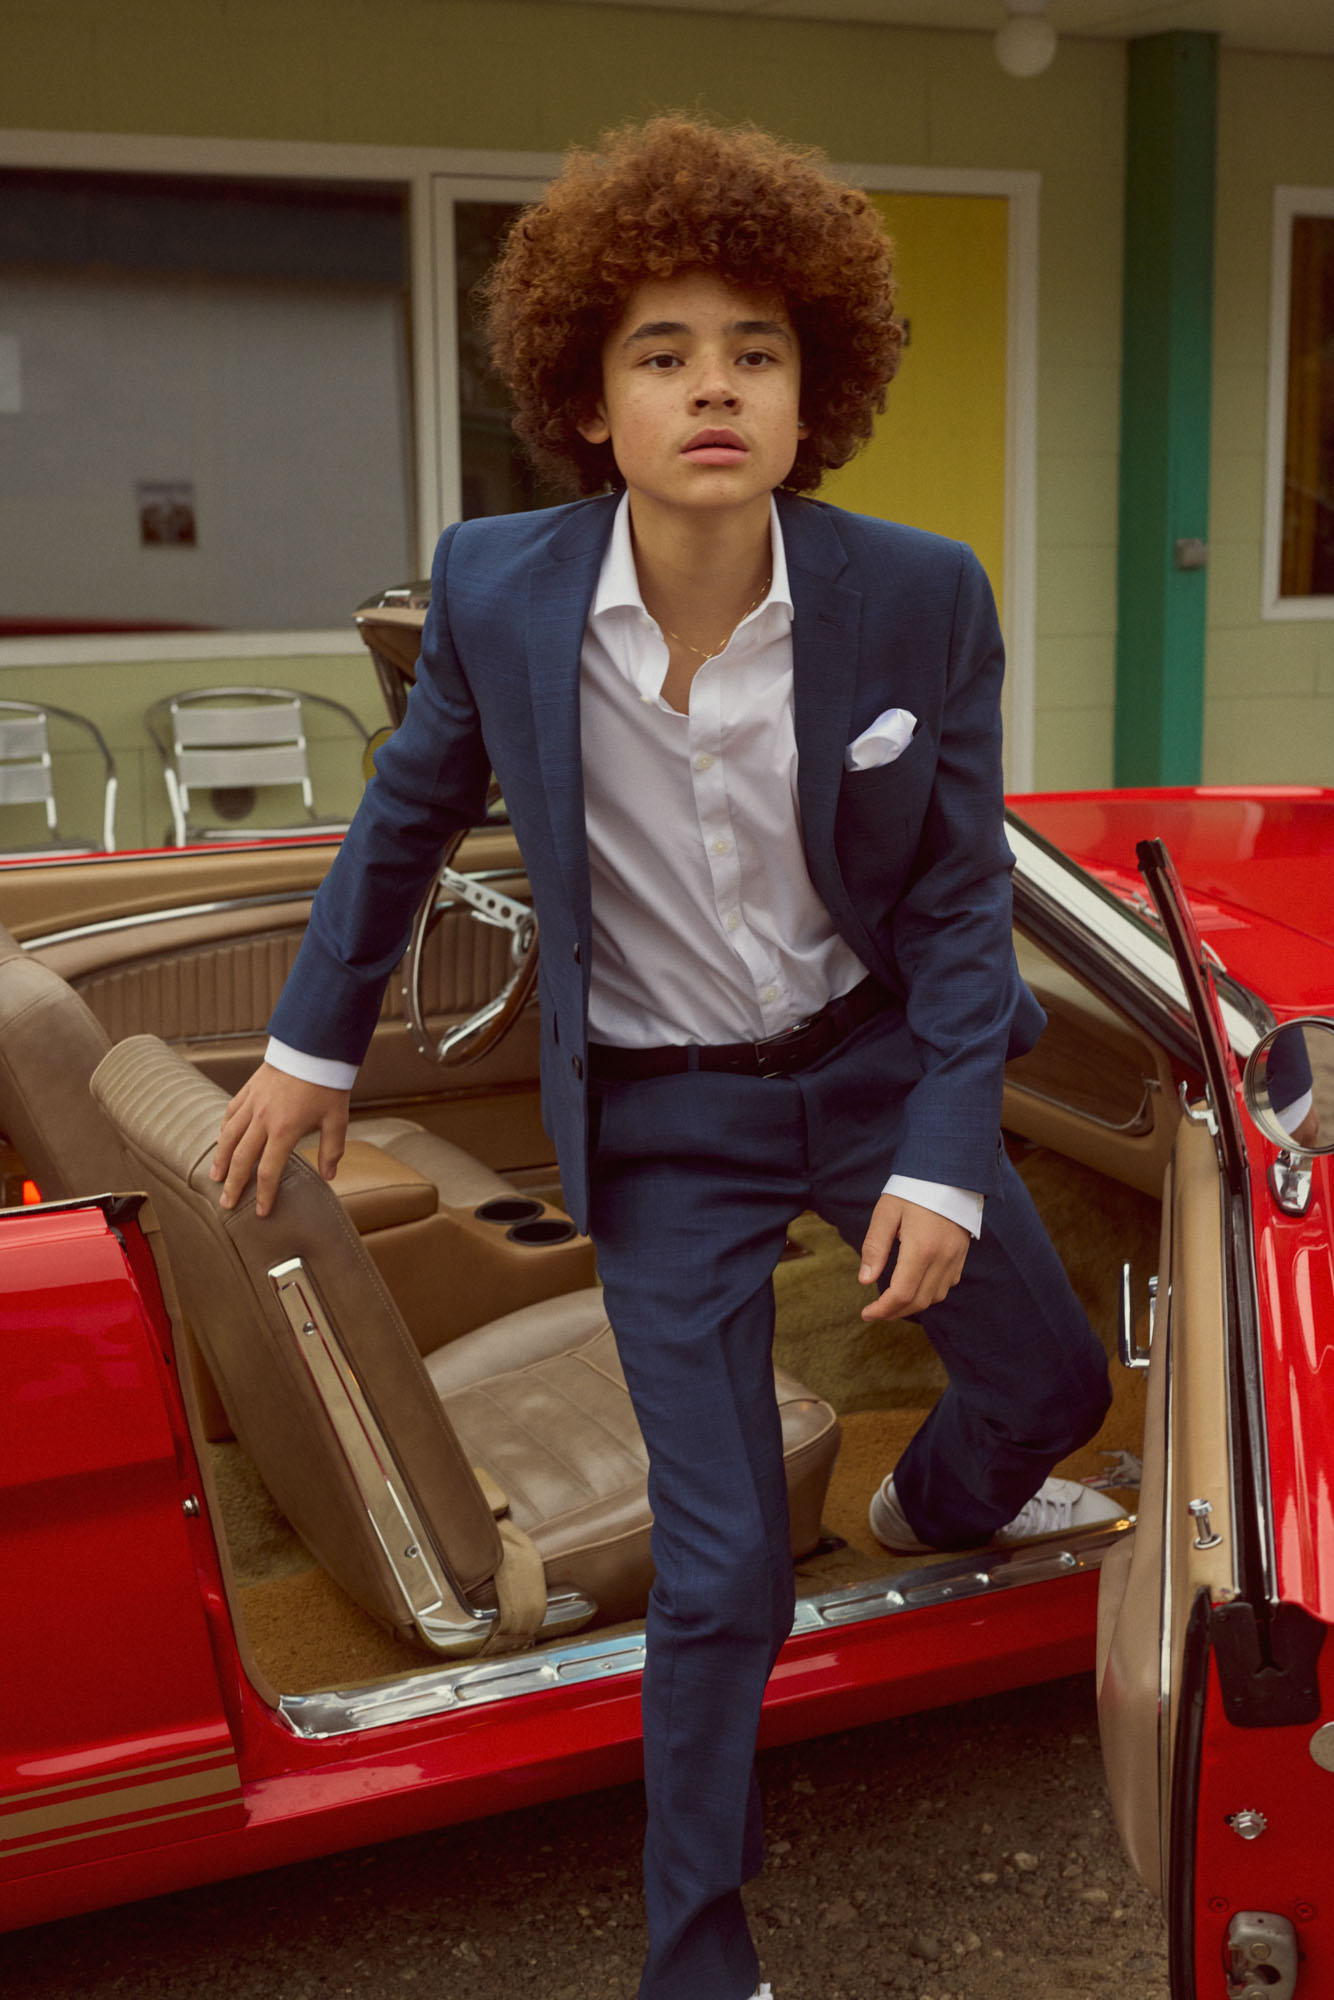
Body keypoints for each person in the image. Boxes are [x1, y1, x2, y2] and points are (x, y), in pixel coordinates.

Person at [211, 115, 1115, 2000]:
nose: (713, 386)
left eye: (755, 352)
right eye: (662, 353)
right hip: (668, 1119)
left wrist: (946, 1156)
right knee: (722, 1575)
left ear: (814, 395)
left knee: (1046, 1397)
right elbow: (397, 829)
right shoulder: (497, 586)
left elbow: (956, 911)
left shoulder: (919, 594)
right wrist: (312, 1049)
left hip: (878, 1070)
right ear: (587, 397)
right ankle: (696, 1959)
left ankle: (937, 1503)